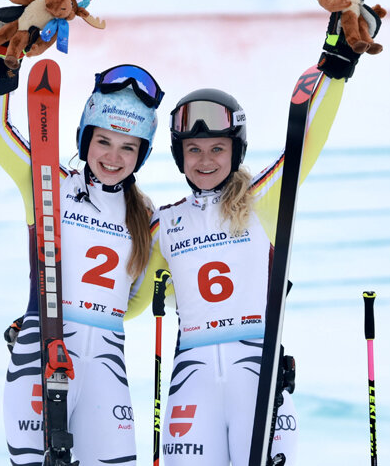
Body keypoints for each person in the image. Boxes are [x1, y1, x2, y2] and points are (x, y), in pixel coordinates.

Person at [147, 23, 362, 465]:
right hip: (193, 377)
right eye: (194, 150)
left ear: (236, 150)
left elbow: (305, 139)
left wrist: (338, 64)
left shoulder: (260, 201)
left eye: (217, 149)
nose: (205, 161)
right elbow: (127, 301)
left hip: (256, 371)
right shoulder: (165, 224)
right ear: (179, 155)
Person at [0, 62, 167, 466]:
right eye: (104, 141)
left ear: (142, 153)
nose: (113, 157)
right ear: (85, 137)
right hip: (41, 356)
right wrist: (5, 60)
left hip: (107, 369)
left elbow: (136, 302)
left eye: (129, 146)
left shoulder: (147, 217)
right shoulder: (50, 181)